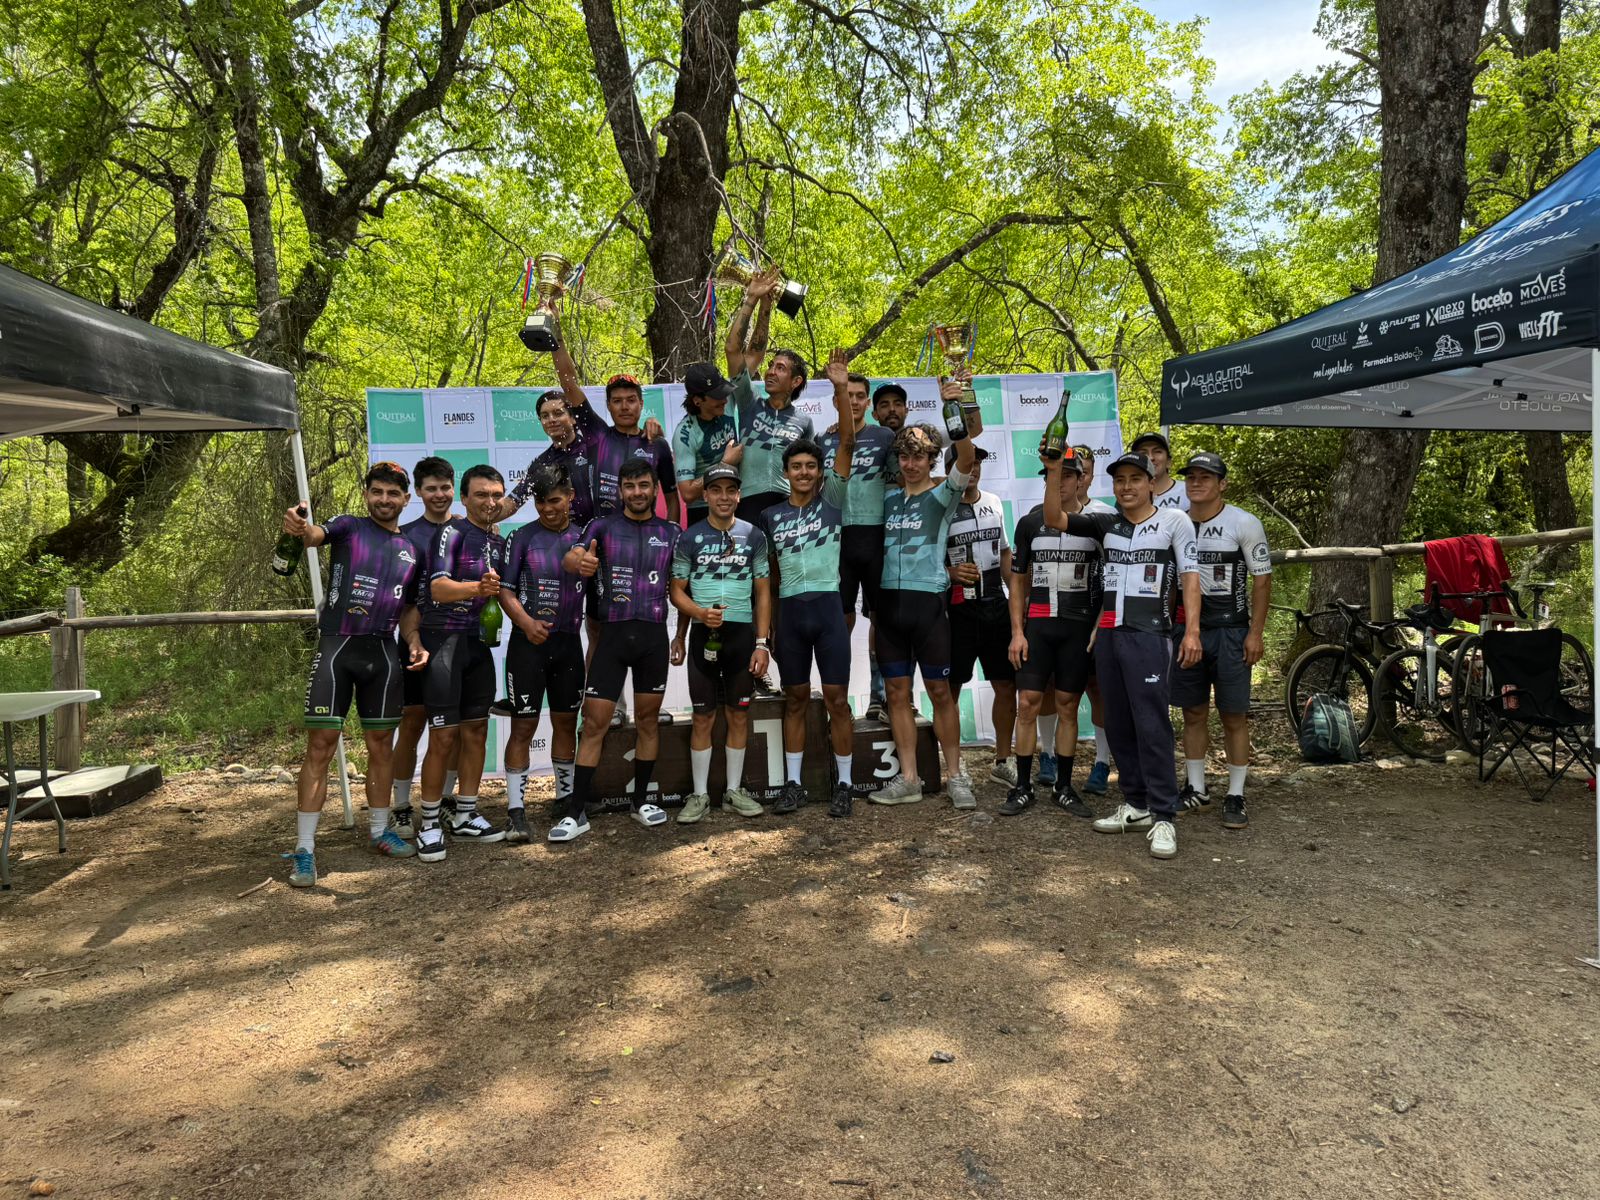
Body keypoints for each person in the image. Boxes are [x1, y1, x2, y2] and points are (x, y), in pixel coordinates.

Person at [1042, 451, 1201, 859]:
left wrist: (1192, 631)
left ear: (1151, 483)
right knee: (1117, 722)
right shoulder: (1106, 523)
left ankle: (1164, 815)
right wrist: (1055, 469)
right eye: (1119, 480)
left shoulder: (1175, 521)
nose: (1127, 486)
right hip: (1110, 635)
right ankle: (1136, 803)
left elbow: (1190, 577)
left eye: (1135, 479)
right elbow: (1054, 518)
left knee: (1152, 723)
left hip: (1151, 635)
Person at [281, 462, 428, 887]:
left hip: (382, 652)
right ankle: (305, 849)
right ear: (366, 494)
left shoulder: (413, 549)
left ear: (406, 499)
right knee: (320, 747)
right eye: (377, 491)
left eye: (393, 493)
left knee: (381, 746)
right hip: (337, 648)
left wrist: (414, 640)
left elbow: (410, 607)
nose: (384, 499)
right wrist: (298, 528)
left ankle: (380, 831)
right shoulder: (349, 526)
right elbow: (313, 536)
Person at [557, 459, 682, 841]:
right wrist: (580, 561)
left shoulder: (671, 532)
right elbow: (570, 558)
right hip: (611, 638)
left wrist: (682, 635)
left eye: (644, 485)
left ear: (655, 489)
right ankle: (576, 812)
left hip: (653, 638)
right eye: (630, 486)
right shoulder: (601, 526)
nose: (637, 492)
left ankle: (640, 802)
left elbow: (682, 587)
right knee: (594, 723)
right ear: (620, 490)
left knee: (647, 721)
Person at [759, 348, 857, 818]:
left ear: (819, 472)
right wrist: (769, 628)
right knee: (795, 699)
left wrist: (839, 387)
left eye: (810, 467)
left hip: (828, 610)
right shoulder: (770, 515)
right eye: (796, 467)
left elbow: (847, 443)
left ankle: (845, 784)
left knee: (837, 700)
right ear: (787, 472)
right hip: (792, 614)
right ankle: (794, 784)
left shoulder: (832, 499)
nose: (803, 472)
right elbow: (770, 574)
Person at [875, 381, 979, 809]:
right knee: (897, 695)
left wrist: (953, 405)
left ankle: (956, 776)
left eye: (919, 456)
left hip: (928, 606)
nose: (911, 463)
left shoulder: (942, 496)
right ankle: (910, 779)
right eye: (905, 456)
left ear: (932, 459)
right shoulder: (886, 498)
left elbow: (966, 457)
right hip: (889, 608)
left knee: (940, 693)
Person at [1171, 452, 1272, 830]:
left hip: (1231, 631)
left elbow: (1262, 580)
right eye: (1191, 477)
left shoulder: (1244, 522)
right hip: (1188, 632)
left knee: (1233, 715)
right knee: (1193, 712)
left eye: (1206, 477)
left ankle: (1236, 794)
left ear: (1222, 484)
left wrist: (1255, 633)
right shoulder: (1175, 522)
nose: (1196, 483)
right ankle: (1196, 788)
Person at [414, 464, 508, 862]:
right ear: (464, 498)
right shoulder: (450, 532)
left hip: (477, 645)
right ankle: (429, 822)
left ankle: (465, 814)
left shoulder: (497, 540)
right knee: (443, 737)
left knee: (476, 731)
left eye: (496, 495)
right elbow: (437, 588)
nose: (489, 502)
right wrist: (477, 587)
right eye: (481, 495)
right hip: (443, 641)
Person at [669, 464, 772, 822]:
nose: (724, 497)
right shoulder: (689, 537)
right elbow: (676, 591)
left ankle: (733, 791)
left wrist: (762, 643)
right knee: (703, 717)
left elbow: (763, 593)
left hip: (742, 637)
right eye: (717, 490)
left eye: (731, 490)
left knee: (738, 715)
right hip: (704, 635)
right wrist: (697, 616)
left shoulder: (754, 536)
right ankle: (699, 795)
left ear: (739, 495)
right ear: (706, 495)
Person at [1002, 451, 1098, 817]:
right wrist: (1017, 632)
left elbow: (1110, 579)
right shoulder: (1030, 523)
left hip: (1077, 627)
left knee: (1068, 705)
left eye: (1067, 476)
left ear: (1080, 479)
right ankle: (1023, 786)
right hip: (1039, 626)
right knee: (1027, 703)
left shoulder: (1095, 524)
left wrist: (1099, 626)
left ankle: (1064, 786)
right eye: (1051, 476)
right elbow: (1018, 580)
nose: (1058, 482)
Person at [497, 465, 588, 842]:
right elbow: (505, 590)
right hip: (527, 645)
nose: (548, 509)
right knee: (523, 726)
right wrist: (525, 622)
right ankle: (515, 810)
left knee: (566, 723)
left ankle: (564, 798)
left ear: (570, 497)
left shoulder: (584, 537)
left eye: (555, 501)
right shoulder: (520, 537)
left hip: (568, 644)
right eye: (540, 502)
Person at [498, 332, 670, 527]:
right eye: (545, 416)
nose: (552, 420)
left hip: (621, 532)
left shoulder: (595, 441)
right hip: (577, 539)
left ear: (574, 417)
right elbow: (513, 502)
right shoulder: (543, 462)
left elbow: (569, 384)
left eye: (558, 413)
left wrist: (557, 336)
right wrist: (481, 518)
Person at [390, 456, 459, 839]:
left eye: (445, 487)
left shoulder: (467, 531)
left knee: (453, 728)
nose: (439, 494)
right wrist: (413, 640)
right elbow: (404, 603)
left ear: (454, 487)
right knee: (413, 723)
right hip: (414, 643)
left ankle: (447, 802)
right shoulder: (406, 536)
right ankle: (401, 807)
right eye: (431, 488)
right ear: (418, 492)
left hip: (457, 643)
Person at [942, 445, 1017, 787]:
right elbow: (928, 558)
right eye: (966, 464)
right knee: (951, 688)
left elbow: (1005, 552)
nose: (972, 470)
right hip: (957, 608)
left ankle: (1002, 760)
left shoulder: (994, 502)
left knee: (1005, 684)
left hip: (995, 604)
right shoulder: (942, 508)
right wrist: (951, 573)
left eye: (977, 464)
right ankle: (955, 765)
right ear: (952, 469)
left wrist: (1015, 600)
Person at [725, 273, 815, 524]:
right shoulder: (749, 402)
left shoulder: (804, 422)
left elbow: (810, 472)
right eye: (771, 366)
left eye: (781, 368)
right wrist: (756, 301)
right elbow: (733, 350)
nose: (771, 372)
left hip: (788, 506)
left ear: (796, 381)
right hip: (748, 504)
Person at [821, 371, 897, 646]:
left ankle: (882, 671)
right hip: (838, 536)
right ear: (836, 401)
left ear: (868, 403)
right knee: (841, 614)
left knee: (881, 615)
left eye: (860, 396)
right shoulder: (823, 439)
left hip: (875, 534)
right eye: (848, 395)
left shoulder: (884, 436)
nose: (853, 401)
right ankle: (840, 668)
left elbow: (901, 480)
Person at [1072, 444, 1115, 797]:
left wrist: (1104, 616)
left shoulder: (1106, 514)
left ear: (1091, 475)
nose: (1080, 478)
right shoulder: (1045, 510)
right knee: (1054, 689)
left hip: (1095, 613)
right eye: (1075, 471)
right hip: (1060, 616)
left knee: (1098, 689)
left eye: (1085, 472)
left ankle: (1102, 761)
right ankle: (1049, 757)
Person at [673, 362, 741, 527]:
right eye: (717, 396)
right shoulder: (685, 434)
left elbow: (747, 361)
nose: (725, 400)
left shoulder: (725, 405)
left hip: (734, 505)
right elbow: (687, 493)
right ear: (698, 400)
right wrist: (724, 465)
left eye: (724, 393)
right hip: (702, 512)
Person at [1129, 431, 1189, 512]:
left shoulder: (1187, 491)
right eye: (1143, 453)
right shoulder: (1127, 495)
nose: (1150, 457)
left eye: (1157, 451)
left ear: (1169, 461)